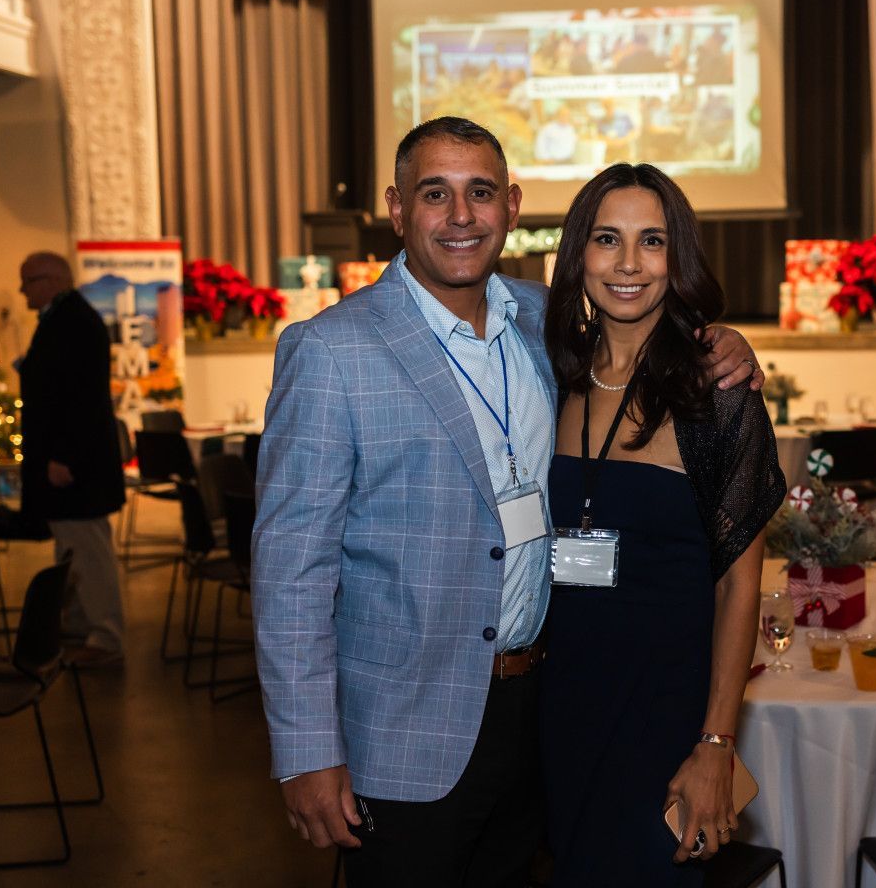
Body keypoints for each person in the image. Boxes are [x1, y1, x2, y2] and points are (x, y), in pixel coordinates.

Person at [252, 116, 763, 888]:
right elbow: (291, 572)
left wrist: (723, 344)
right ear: (397, 210)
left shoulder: (540, 324)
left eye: (480, 193)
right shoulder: (330, 351)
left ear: (513, 207)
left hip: (538, 714)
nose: (461, 216)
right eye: (436, 193)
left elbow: (652, 343)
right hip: (405, 738)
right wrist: (306, 751)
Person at [539, 163, 785, 887]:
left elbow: (742, 587)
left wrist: (715, 743)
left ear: (678, 258)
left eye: (652, 242)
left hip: (667, 719)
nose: (627, 264)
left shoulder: (718, 395)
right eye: (607, 239)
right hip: (562, 710)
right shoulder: (551, 377)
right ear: (577, 253)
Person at [17, 251, 126, 668]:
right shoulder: (64, 318)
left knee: (88, 551)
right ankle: (80, 625)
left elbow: (79, 400)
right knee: (72, 549)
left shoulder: (73, 322)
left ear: (53, 279)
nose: (22, 290)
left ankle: (106, 637)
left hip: (75, 466)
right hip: (72, 462)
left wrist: (62, 457)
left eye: (27, 281)